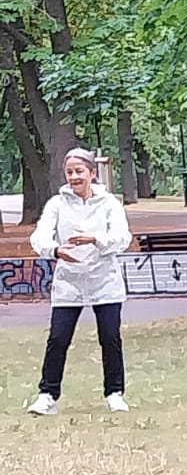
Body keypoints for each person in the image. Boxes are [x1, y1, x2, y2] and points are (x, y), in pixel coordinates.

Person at [27, 147, 132, 415]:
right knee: (58, 338)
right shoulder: (56, 204)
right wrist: (55, 250)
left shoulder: (109, 203)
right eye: (69, 172)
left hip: (104, 280)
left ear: (92, 174)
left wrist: (96, 239)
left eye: (79, 171)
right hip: (69, 282)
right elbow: (39, 237)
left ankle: (115, 393)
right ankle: (47, 394)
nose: (74, 177)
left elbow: (123, 237)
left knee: (110, 337)